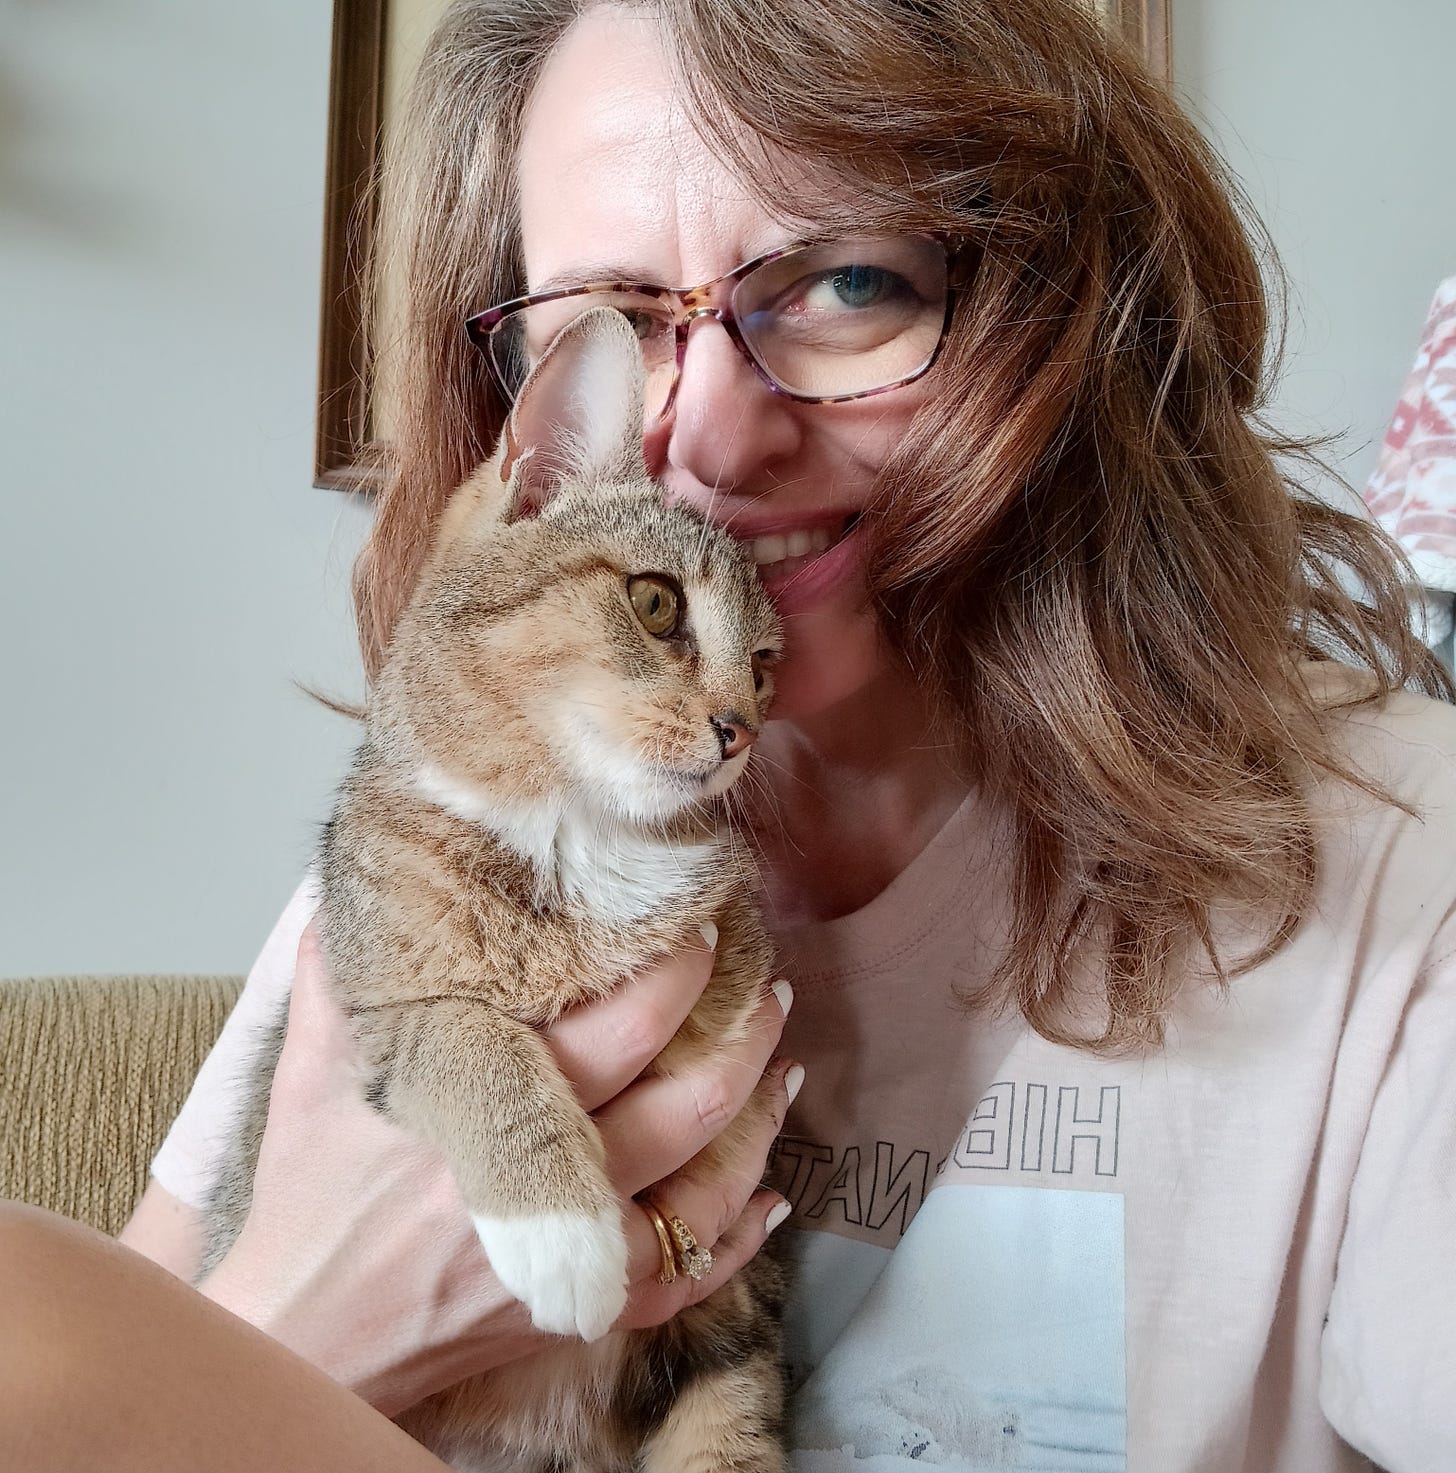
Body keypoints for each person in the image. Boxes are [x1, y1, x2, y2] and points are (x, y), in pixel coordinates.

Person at [4, 0, 1454, 1469]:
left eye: (848, 283)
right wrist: (305, 1328)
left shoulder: (1407, 869)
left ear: (1070, 317)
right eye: (612, 325)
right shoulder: (442, 841)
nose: (709, 436)